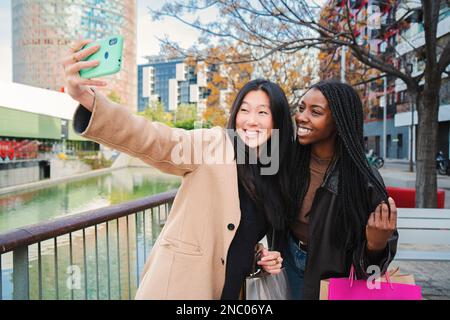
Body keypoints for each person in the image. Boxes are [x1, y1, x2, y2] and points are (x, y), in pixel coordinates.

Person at [62, 40, 295, 299]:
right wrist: (89, 101)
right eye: (244, 110)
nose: (251, 120)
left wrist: (259, 256)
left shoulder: (272, 171)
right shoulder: (213, 144)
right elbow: (157, 140)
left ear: (277, 120)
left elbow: (233, 237)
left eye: (263, 112)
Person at [285, 79, 399, 300]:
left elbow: (376, 262)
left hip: (335, 273)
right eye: (301, 108)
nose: (301, 117)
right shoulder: (287, 161)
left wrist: (376, 244)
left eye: (315, 112)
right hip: (287, 260)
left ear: (338, 121)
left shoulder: (364, 179)